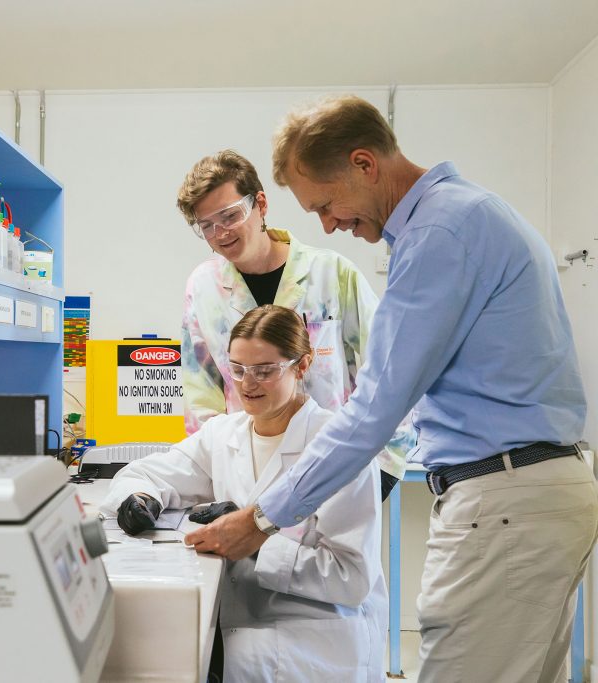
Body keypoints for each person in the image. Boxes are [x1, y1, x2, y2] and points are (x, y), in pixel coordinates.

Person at [184, 95, 597, 683]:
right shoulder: (468, 215)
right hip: (528, 493)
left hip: (504, 504)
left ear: (364, 163)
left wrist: (261, 518)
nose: (328, 224)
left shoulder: (438, 234)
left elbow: (376, 405)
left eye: (326, 204)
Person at [102, 305, 387, 683]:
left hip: (316, 638)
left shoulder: (338, 448)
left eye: (265, 371)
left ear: (301, 366)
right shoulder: (225, 435)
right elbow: (144, 472)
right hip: (242, 627)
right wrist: (139, 497)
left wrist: (252, 540)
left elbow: (350, 579)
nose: (247, 383)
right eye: (237, 369)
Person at [177, 150, 412, 501]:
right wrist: (217, 481)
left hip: (333, 474)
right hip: (247, 481)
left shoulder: (331, 275)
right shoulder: (204, 288)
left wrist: (383, 473)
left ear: (260, 204)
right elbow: (201, 397)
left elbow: (392, 373)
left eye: (229, 216)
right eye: (206, 226)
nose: (220, 234)